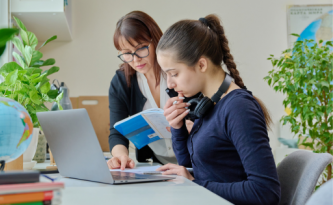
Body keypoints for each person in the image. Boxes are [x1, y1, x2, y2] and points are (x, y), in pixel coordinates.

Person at [155, 15, 281, 205]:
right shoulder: (208, 103)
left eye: (174, 74)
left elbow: (265, 192)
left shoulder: (238, 108)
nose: (170, 84)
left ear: (202, 64)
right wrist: (177, 127)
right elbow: (192, 166)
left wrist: (195, 184)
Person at [107, 11, 198, 170]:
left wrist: (193, 125)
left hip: (196, 162)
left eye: (141, 48)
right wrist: (120, 156)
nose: (135, 60)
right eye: (127, 53)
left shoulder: (179, 71)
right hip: (158, 166)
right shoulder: (122, 81)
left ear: (156, 40)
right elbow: (116, 132)